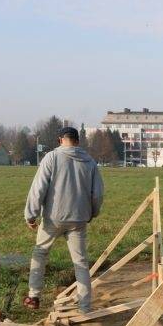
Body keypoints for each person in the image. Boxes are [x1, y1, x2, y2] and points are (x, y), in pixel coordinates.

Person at [23, 126, 104, 313]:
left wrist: (31, 215)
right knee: (81, 262)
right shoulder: (90, 162)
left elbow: (38, 188)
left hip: (53, 218)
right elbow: (97, 194)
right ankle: (85, 306)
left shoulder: (51, 157)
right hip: (79, 219)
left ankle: (34, 296)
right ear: (78, 141)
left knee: (40, 253)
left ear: (60, 140)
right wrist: (93, 212)